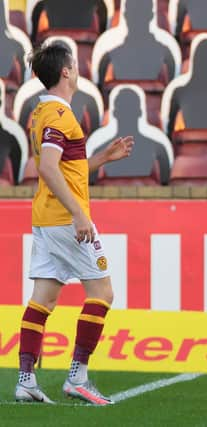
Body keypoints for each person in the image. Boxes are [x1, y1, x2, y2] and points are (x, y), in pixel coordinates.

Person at [14, 41, 134, 405]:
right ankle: (77, 377)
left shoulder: (42, 113)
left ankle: (26, 380)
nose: (79, 69)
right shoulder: (60, 115)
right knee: (103, 293)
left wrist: (100, 159)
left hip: (46, 218)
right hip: (67, 219)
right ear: (65, 71)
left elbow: (63, 166)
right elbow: (48, 168)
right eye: (76, 64)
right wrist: (80, 214)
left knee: (42, 300)